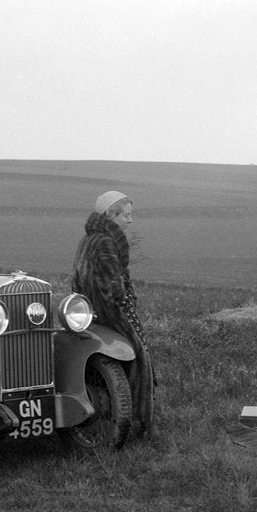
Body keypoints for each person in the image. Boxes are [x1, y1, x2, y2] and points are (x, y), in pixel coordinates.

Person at [71, 191, 155, 445]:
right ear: (111, 215)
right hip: (111, 312)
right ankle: (140, 419)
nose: (130, 221)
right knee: (140, 357)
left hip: (89, 312)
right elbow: (113, 287)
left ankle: (116, 411)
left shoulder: (88, 239)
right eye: (126, 215)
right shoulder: (107, 243)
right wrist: (125, 306)